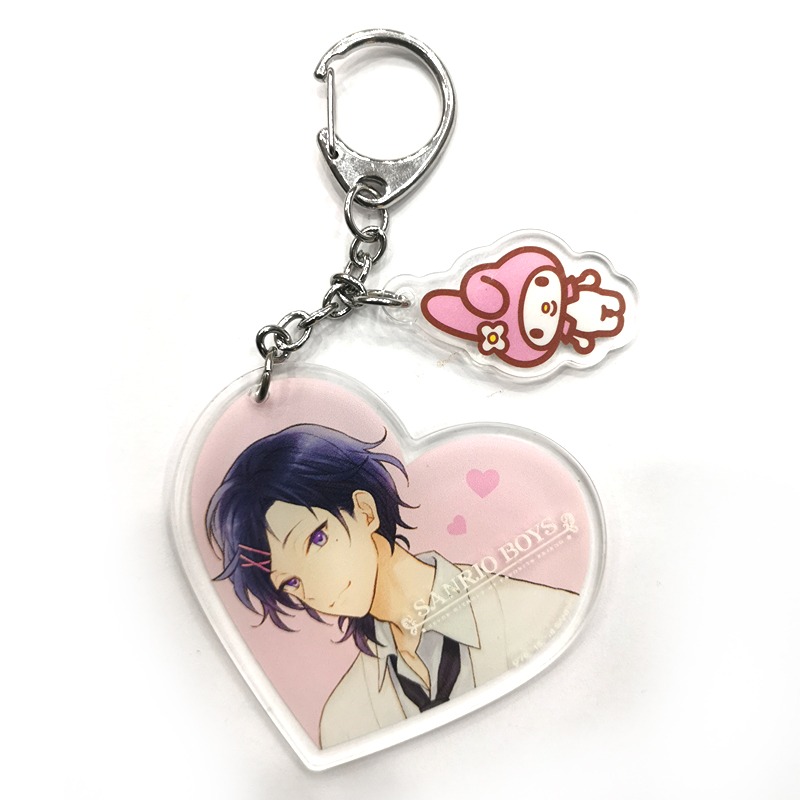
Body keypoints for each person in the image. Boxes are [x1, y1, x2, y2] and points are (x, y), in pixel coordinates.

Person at [206, 423, 578, 748]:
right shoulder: (342, 722)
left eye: (316, 539)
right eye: (291, 581)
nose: (315, 589)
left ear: (364, 511)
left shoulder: (547, 614)